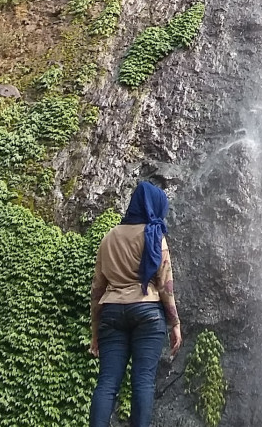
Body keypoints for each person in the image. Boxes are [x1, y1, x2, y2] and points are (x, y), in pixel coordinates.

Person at [89, 181, 183, 427]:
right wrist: (175, 322)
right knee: (142, 380)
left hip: (111, 312)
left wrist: (95, 331)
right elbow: (165, 286)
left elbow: (97, 288)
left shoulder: (108, 238)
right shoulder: (155, 236)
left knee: (107, 382)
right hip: (147, 311)